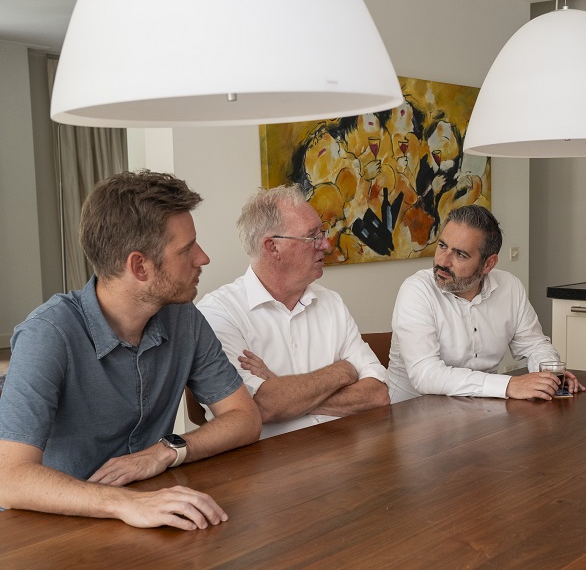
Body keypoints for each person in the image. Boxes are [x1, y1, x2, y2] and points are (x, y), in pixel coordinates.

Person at [0, 171, 261, 530]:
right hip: (52, 529)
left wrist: (164, 451)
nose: (203, 258)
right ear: (139, 266)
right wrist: (125, 503)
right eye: (187, 250)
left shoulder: (184, 319)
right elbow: (9, 479)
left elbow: (244, 419)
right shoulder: (47, 334)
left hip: (151, 511)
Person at [197, 186, 390, 439]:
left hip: (342, 454)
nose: (326, 244)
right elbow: (262, 407)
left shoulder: (330, 302)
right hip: (263, 467)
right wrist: (342, 371)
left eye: (322, 232)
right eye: (312, 237)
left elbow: (378, 394)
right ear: (273, 247)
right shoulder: (218, 314)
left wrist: (282, 388)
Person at [387, 205, 584, 403]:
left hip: (481, 410)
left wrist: (549, 375)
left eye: (460, 254)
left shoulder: (510, 287)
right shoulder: (416, 290)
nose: (444, 261)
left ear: (489, 264)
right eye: (442, 246)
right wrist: (508, 385)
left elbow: (535, 345)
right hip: (412, 416)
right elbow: (425, 375)